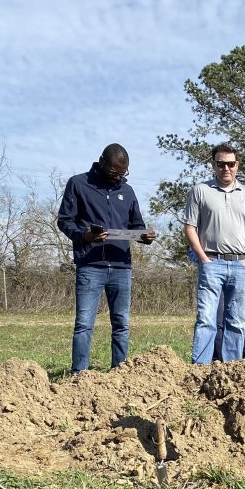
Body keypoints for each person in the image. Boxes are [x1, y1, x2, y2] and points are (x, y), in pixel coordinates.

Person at [56, 143, 155, 374]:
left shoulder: (128, 191)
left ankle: (119, 373)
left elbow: (136, 225)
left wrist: (144, 236)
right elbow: (64, 220)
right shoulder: (78, 184)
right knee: (84, 324)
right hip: (90, 265)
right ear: (101, 162)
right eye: (114, 171)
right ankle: (79, 374)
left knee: (121, 324)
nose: (118, 176)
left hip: (121, 266)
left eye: (123, 172)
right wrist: (84, 236)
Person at [184, 143, 245, 364]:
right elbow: (190, 227)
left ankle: (231, 370)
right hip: (212, 263)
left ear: (237, 165)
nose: (226, 168)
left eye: (230, 164)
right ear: (213, 165)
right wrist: (203, 258)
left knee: (237, 322)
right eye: (221, 164)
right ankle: (200, 370)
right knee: (206, 320)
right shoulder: (200, 191)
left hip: (240, 264)